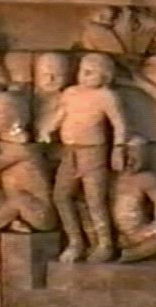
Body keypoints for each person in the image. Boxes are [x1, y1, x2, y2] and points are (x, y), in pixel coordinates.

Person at [39, 53, 128, 263]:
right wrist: (48, 128)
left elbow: (120, 125)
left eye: (90, 72)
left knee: (95, 199)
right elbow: (61, 114)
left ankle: (105, 244)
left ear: (105, 76)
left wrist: (118, 150)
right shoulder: (71, 93)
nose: (84, 76)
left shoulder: (106, 96)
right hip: (70, 151)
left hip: (93, 152)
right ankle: (75, 241)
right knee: (61, 196)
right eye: (82, 70)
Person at [0, 90, 56, 232]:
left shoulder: (22, 146)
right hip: (13, 201)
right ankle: (11, 220)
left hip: (39, 212)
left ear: (16, 120)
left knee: (20, 199)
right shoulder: (4, 142)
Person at [112, 135, 156, 263]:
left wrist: (155, 226)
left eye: (138, 152)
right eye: (129, 152)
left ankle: (131, 254)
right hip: (117, 234)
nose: (132, 157)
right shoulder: (115, 177)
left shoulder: (147, 178)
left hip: (139, 231)